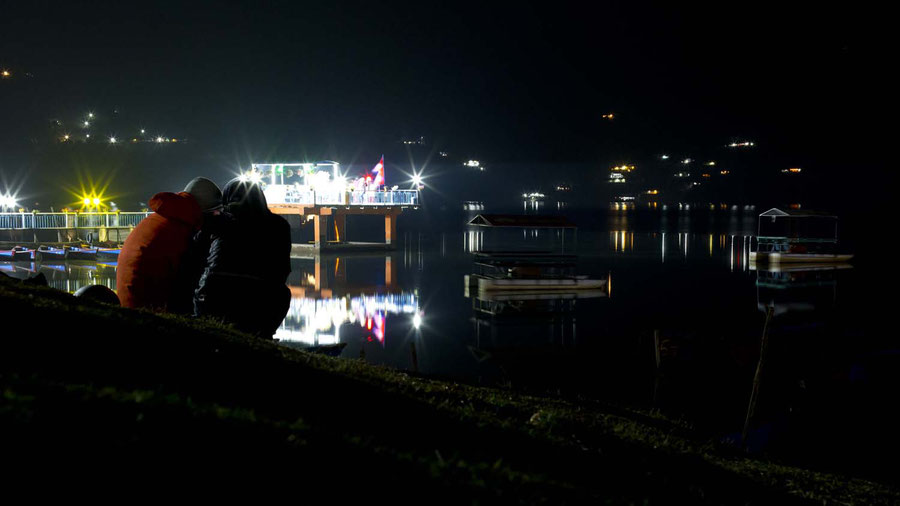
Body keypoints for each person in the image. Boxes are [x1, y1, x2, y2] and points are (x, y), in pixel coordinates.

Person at [193, 178, 291, 338]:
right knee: (283, 292)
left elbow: (196, 257)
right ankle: (263, 336)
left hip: (213, 298)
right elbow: (283, 269)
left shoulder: (218, 222)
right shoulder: (280, 226)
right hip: (262, 304)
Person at [116, 177, 222, 312]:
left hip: (129, 303)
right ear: (205, 210)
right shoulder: (181, 229)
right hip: (151, 313)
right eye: (215, 212)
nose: (217, 215)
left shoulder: (163, 218)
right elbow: (193, 278)